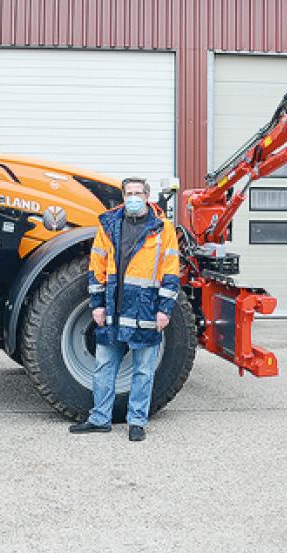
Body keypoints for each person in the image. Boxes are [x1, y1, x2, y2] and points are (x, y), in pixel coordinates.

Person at [69, 177, 180, 442]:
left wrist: (165, 310)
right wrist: (96, 305)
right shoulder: (108, 225)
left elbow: (171, 272)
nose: (132, 197)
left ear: (146, 196)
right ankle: (99, 419)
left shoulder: (162, 229)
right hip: (113, 311)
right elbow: (96, 267)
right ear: (123, 196)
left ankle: (137, 422)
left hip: (146, 311)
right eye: (128, 193)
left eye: (137, 193)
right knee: (104, 366)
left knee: (143, 371)